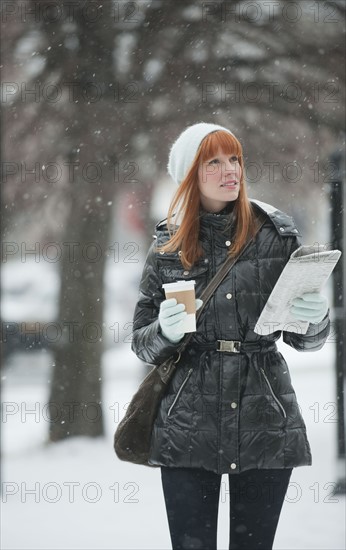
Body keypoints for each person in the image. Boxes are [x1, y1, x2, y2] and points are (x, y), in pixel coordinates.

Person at [131, 122, 330, 550]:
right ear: (190, 175)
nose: (231, 170)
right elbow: (141, 343)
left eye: (235, 158)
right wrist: (164, 331)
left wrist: (315, 320)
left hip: (265, 415)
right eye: (214, 161)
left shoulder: (275, 235)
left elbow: (305, 340)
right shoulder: (168, 244)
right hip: (187, 422)